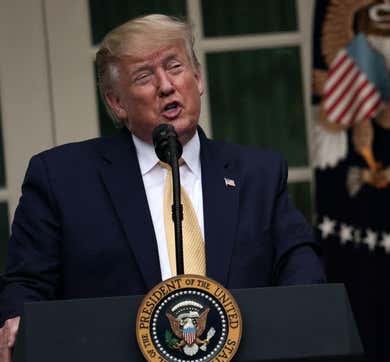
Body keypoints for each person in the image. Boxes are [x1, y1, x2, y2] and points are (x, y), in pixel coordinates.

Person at [0, 14, 325, 361]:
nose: (166, 85)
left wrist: (298, 319)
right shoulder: (62, 178)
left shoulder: (257, 173)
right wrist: (19, 320)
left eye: (175, 67)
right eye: (144, 76)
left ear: (197, 78)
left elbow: (298, 261)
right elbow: (28, 283)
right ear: (116, 103)